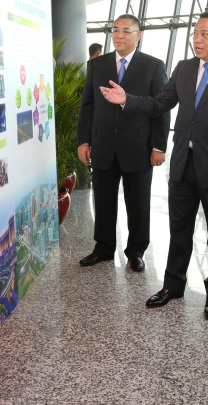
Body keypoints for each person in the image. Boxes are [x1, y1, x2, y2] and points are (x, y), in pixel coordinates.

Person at [99, 10, 208, 319]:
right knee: (179, 230)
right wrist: (126, 100)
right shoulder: (184, 68)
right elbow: (160, 103)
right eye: (195, 33)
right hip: (184, 165)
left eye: (205, 34)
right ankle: (173, 285)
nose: (197, 39)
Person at [76, 15, 169, 272]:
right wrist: (84, 141)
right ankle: (103, 248)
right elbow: (88, 105)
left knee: (138, 203)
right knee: (103, 200)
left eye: (126, 31)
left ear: (137, 35)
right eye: (115, 30)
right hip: (103, 145)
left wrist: (158, 147)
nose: (119, 35)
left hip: (138, 147)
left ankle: (136, 251)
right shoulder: (97, 65)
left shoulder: (153, 66)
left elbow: (160, 109)